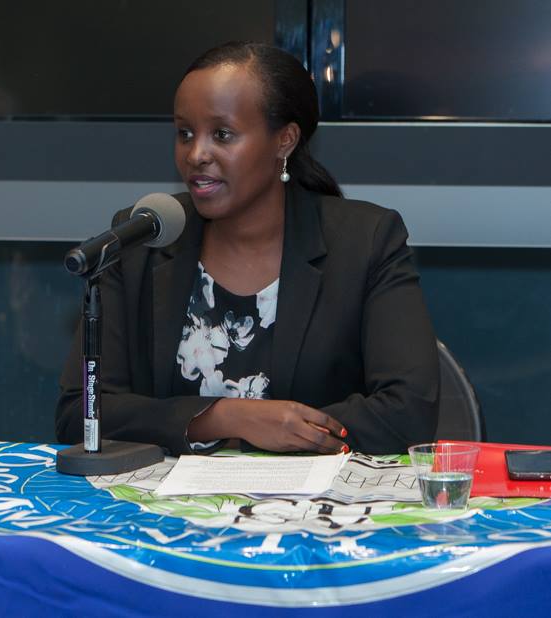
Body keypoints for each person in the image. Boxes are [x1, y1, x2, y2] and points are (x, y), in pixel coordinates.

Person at [56, 42, 439, 456]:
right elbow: (80, 414)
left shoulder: (366, 240)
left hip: (313, 509)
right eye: (185, 133)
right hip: (165, 512)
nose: (196, 154)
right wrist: (227, 418)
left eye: (222, 134)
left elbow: (408, 413)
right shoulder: (144, 237)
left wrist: (283, 435)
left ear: (285, 141)